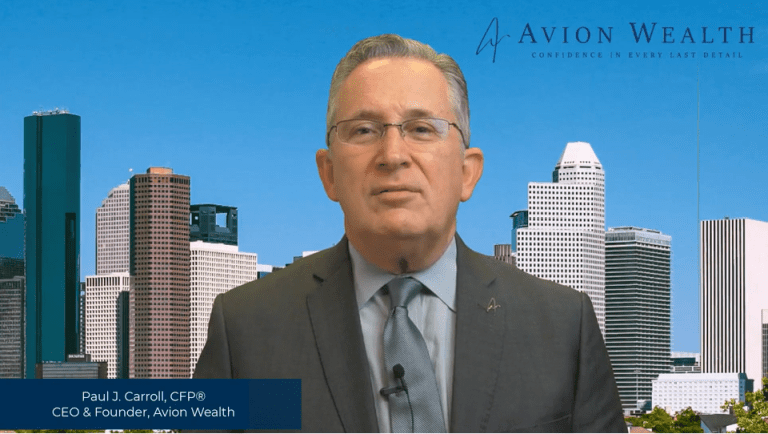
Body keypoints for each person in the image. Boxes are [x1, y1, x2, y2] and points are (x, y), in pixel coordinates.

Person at [194, 34, 626, 432]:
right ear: (328, 174)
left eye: (422, 129)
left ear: (466, 172)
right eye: (364, 130)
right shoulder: (246, 329)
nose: (393, 154)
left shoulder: (564, 326)